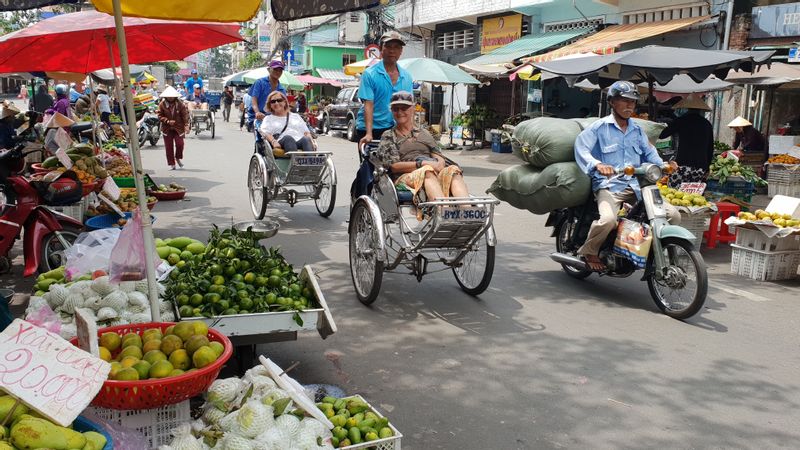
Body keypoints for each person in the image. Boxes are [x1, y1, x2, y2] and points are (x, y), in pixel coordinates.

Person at [574, 80, 681, 272]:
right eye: (624, 101)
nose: (629, 105)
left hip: (638, 186)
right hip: (610, 185)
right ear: (612, 102)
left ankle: (646, 250)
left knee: (673, 215)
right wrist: (598, 164)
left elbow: (650, 154)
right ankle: (590, 251)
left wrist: (665, 166)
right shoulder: (599, 128)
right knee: (608, 220)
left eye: (632, 102)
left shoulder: (637, 130)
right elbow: (581, 149)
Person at [376, 91, 467, 213]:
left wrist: (440, 162)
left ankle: (468, 211)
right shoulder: (389, 136)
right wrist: (422, 164)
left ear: (413, 109)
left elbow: (436, 154)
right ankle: (444, 212)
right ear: (391, 111)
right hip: (403, 177)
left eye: (404, 108)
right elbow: (394, 166)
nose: (400, 112)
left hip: (431, 171)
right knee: (427, 171)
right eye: (395, 109)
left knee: (453, 170)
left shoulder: (424, 133)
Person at [357, 31, 414, 147]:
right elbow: (368, 104)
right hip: (371, 127)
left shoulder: (406, 77)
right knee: (371, 162)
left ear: (401, 51)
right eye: (388, 46)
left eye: (396, 47)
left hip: (393, 128)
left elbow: (409, 106)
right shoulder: (369, 74)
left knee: (395, 163)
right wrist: (369, 133)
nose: (392, 51)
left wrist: (411, 129)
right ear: (381, 49)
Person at [659, 95, 714, 171]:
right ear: (700, 109)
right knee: (698, 183)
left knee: (682, 183)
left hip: (684, 164)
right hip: (701, 166)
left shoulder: (681, 121)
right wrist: (707, 167)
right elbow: (710, 147)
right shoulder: (707, 124)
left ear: (687, 108)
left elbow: (662, 135)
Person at [157, 86, 189, 170]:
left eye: (172, 96)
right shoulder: (162, 104)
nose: (170, 98)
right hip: (167, 128)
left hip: (178, 127)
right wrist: (167, 121)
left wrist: (186, 125)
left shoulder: (180, 104)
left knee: (180, 144)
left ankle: (177, 158)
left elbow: (184, 115)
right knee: (169, 147)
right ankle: (172, 163)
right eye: (169, 96)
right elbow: (159, 115)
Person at [250, 60, 287, 125]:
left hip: (274, 119)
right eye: (275, 69)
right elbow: (254, 100)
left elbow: (283, 107)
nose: (278, 72)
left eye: (280, 70)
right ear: (269, 70)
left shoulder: (282, 89)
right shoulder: (260, 83)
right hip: (258, 117)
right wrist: (257, 112)